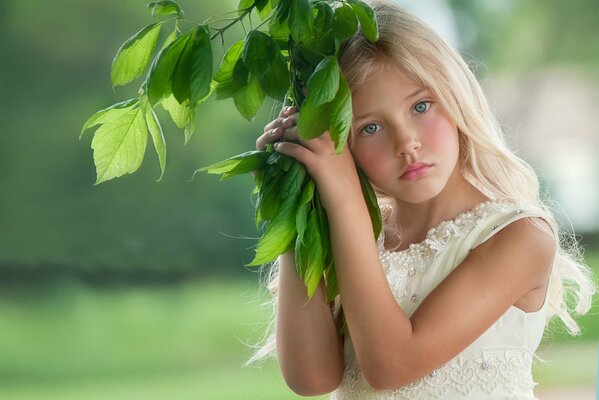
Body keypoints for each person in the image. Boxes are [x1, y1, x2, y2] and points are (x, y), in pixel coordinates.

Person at [251, 1, 595, 398]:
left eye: (420, 106)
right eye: (371, 127)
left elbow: (391, 365)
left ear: (456, 97)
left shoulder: (518, 235)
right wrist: (296, 199)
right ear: (340, 145)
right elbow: (312, 378)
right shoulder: (352, 235)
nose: (406, 143)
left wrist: (345, 201)